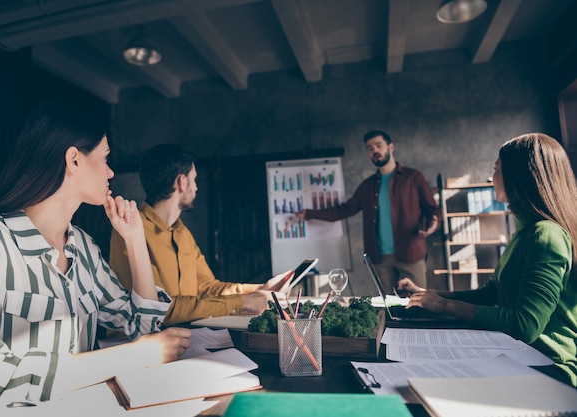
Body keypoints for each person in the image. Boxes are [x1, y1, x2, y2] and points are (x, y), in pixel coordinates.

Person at [0, 102, 191, 415]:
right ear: (74, 160)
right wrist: (128, 358)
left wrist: (134, 240)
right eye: (105, 158)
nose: (110, 172)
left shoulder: (85, 249)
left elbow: (142, 327)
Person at [398, 133, 577, 387]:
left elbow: (525, 324)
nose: (491, 177)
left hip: (549, 367)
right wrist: (429, 294)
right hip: (517, 356)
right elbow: (491, 294)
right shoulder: (526, 232)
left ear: (520, 177)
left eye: (497, 170)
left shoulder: (545, 235)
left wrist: (443, 306)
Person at [109, 144, 290, 326]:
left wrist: (261, 289)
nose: (196, 188)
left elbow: (208, 288)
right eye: (194, 180)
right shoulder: (131, 231)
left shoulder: (182, 233)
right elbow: (159, 307)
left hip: (186, 337)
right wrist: (243, 302)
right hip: (144, 346)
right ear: (181, 182)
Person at [296, 130, 441, 291]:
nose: (375, 151)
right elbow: (345, 210)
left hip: (410, 252)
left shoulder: (413, 177)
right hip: (379, 258)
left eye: (379, 146)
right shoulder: (368, 185)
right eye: (370, 148)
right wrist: (310, 214)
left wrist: (434, 221)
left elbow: (432, 209)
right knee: (388, 308)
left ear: (391, 147)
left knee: (419, 303)